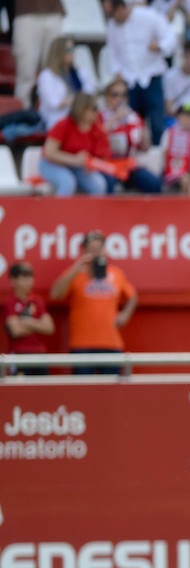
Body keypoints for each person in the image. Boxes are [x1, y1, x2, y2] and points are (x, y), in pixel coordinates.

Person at [49, 231, 137, 373]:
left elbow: (132, 296)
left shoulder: (116, 273)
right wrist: (76, 269)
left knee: (111, 392)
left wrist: (124, 314)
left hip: (111, 344)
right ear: (84, 251)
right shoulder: (76, 273)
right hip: (82, 345)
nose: (96, 253)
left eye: (99, 249)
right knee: (83, 393)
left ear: (105, 250)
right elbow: (55, 294)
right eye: (91, 249)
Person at [105, 0, 177, 145]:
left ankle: (157, 155)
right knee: (134, 121)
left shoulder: (149, 16)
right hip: (129, 79)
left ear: (121, 7)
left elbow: (171, 38)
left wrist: (160, 46)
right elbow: (112, 52)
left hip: (152, 75)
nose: (113, 19)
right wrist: (117, 71)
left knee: (157, 122)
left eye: (114, 14)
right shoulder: (112, 26)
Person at [98, 78, 163, 193]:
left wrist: (145, 138)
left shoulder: (133, 118)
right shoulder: (100, 116)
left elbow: (144, 148)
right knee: (108, 183)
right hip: (108, 164)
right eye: (115, 95)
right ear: (107, 98)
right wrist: (115, 118)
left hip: (128, 164)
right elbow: (96, 137)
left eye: (123, 95)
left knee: (154, 183)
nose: (120, 99)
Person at [40, 93, 111, 197]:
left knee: (99, 184)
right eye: (93, 108)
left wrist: (92, 165)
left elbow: (103, 156)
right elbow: (49, 153)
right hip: (52, 164)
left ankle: (91, 213)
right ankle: (60, 212)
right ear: (82, 109)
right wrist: (74, 159)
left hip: (79, 167)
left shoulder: (97, 129)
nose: (97, 112)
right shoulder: (63, 125)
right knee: (68, 182)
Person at [14, 0, 66, 111]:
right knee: (26, 73)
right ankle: (22, 117)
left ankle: (51, 118)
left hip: (54, 11)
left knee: (53, 71)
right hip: (26, 12)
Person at [4, 262, 54, 374]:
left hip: (40, 355)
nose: (29, 282)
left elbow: (49, 328)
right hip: (19, 355)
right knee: (20, 389)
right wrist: (37, 324)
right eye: (24, 278)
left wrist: (26, 321)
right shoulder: (10, 302)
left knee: (41, 389)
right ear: (13, 280)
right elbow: (15, 331)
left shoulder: (38, 301)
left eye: (30, 277)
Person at [36, 36, 96, 129]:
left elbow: (89, 93)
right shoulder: (47, 75)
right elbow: (54, 103)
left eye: (72, 49)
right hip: (56, 118)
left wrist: (73, 100)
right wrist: (78, 100)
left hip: (78, 117)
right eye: (68, 50)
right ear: (59, 52)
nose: (72, 53)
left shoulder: (80, 73)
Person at [163, 103, 190, 192]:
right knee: (185, 180)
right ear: (178, 117)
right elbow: (164, 153)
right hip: (174, 171)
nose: (187, 120)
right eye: (184, 116)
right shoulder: (169, 133)